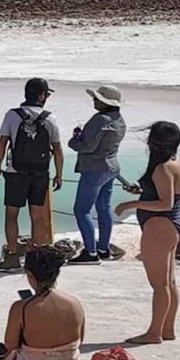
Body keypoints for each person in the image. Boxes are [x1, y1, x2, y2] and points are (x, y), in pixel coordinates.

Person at [115, 121, 180, 346]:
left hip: (160, 225)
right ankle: (167, 329)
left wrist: (129, 205)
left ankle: (154, 332)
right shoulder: (177, 164)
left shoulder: (163, 167)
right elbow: (163, 193)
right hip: (170, 226)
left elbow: (165, 203)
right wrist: (143, 189)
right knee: (169, 282)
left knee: (159, 284)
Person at [0, 78, 64, 270]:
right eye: (46, 94)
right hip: (41, 172)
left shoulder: (12, 115)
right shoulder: (50, 118)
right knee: (38, 216)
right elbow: (57, 149)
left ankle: (13, 256)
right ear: (41, 95)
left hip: (16, 171)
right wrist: (59, 174)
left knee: (11, 215)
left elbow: (3, 143)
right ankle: (36, 257)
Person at [67, 85, 128, 264]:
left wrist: (74, 140)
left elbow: (88, 147)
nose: (94, 100)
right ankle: (103, 249)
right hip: (111, 167)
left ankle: (91, 253)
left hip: (94, 168)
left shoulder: (100, 119)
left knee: (81, 210)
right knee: (103, 208)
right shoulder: (119, 119)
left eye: (96, 98)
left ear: (105, 102)